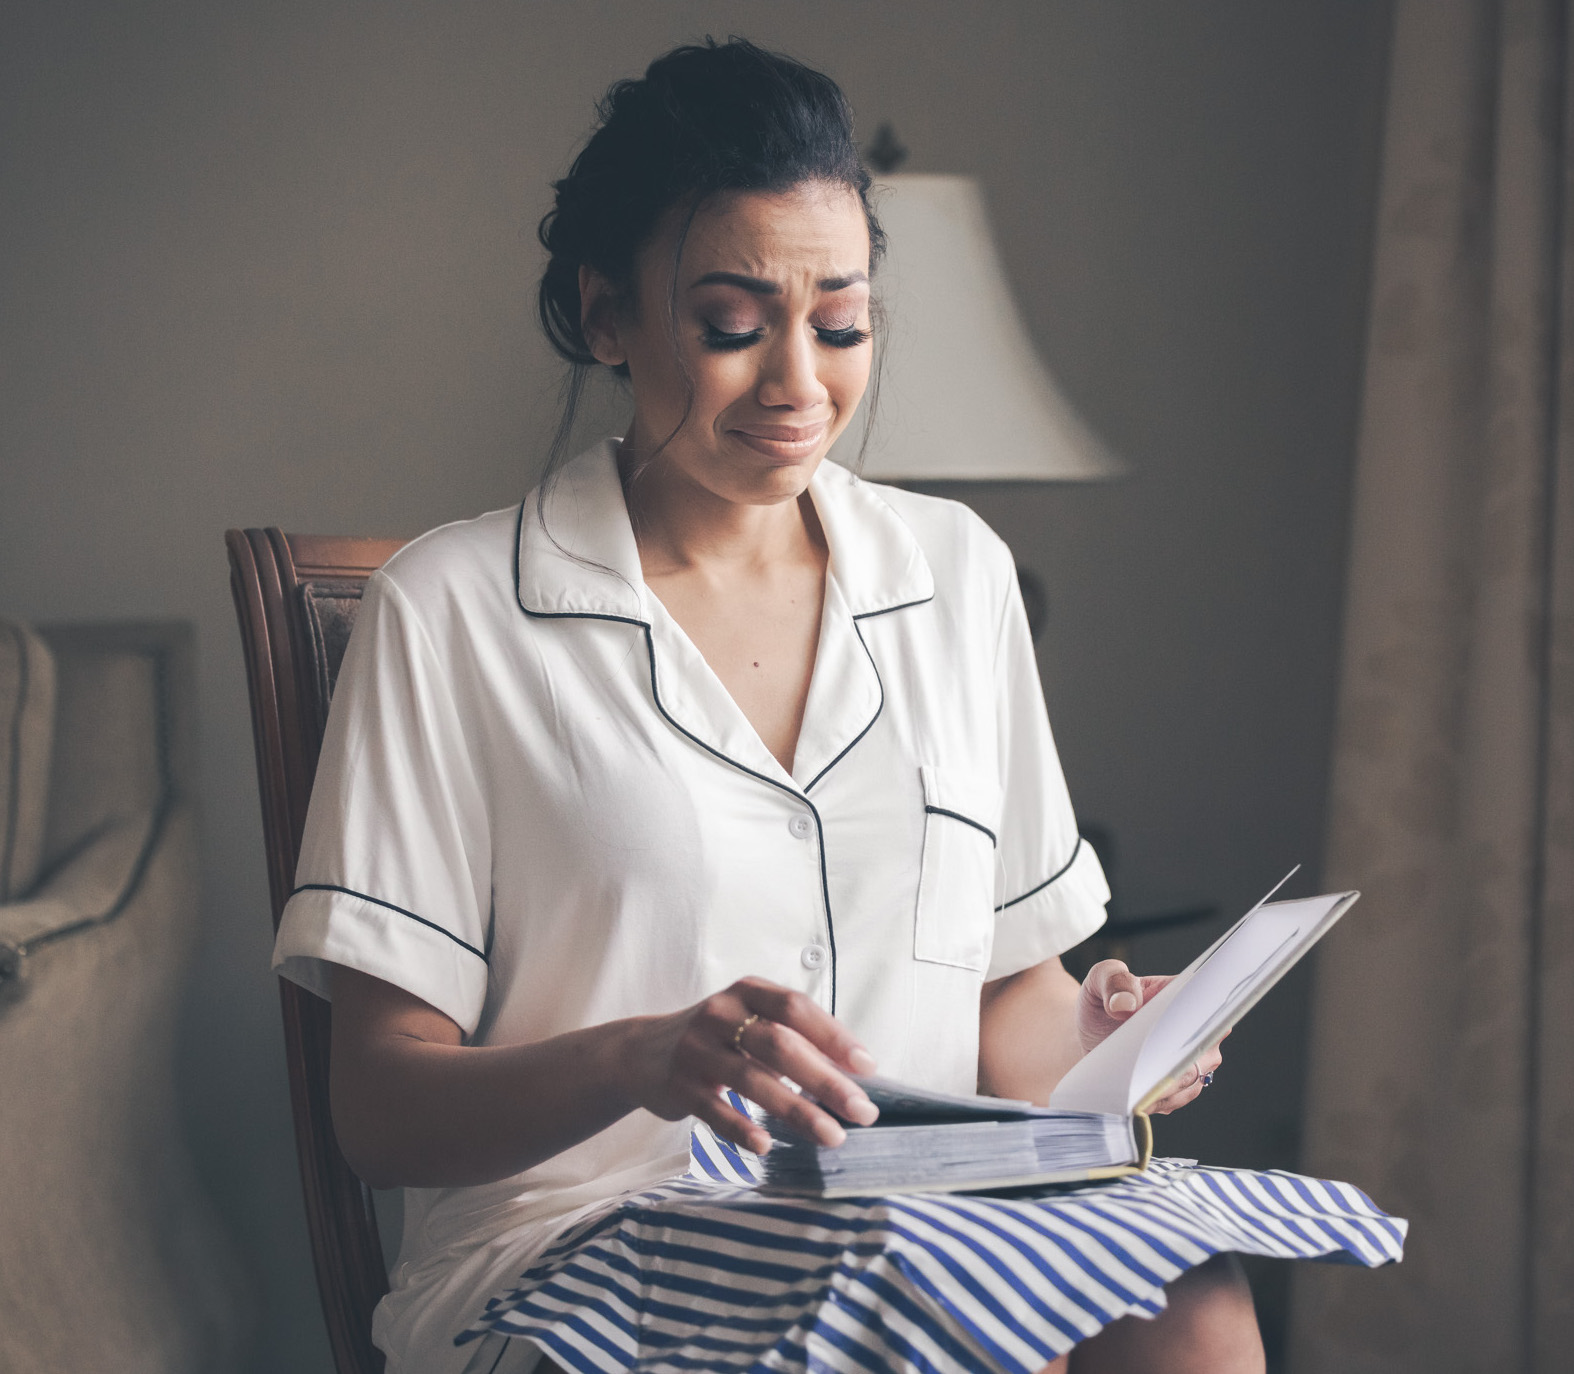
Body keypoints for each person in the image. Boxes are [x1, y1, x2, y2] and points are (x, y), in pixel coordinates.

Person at [273, 38, 1366, 1374]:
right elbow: (379, 1108)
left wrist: (1101, 1038)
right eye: (733, 324)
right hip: (571, 1254)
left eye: (839, 323)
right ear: (606, 313)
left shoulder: (953, 573)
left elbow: (1006, 998)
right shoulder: (449, 611)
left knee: (1181, 1282)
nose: (800, 381)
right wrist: (636, 1055)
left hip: (900, 1220)